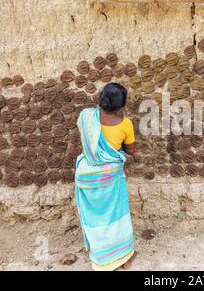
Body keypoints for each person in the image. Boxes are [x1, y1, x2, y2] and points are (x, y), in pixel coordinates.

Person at [75, 82, 137, 271]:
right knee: (118, 216)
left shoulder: (86, 117)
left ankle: (101, 256)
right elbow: (131, 150)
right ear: (122, 105)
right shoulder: (126, 124)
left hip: (88, 178)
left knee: (95, 219)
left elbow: (89, 141)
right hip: (110, 178)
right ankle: (124, 257)